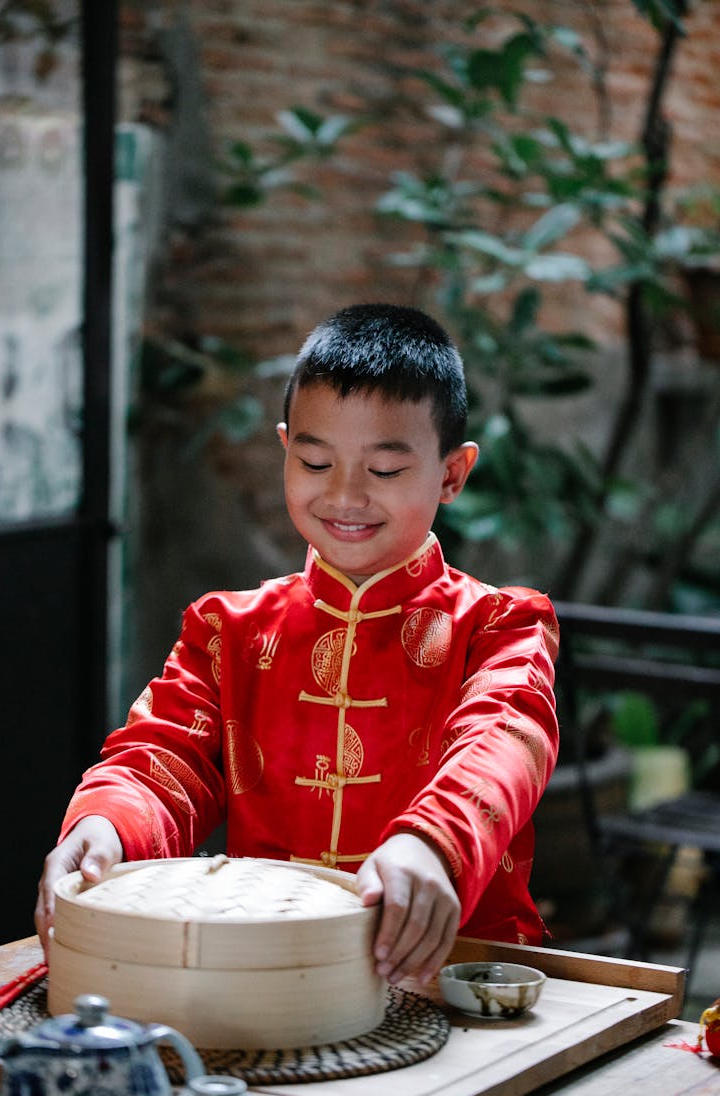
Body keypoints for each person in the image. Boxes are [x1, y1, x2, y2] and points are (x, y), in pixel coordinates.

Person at [36, 303, 559, 987]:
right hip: (275, 973)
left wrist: (432, 844)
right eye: (315, 460)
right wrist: (105, 826)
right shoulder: (228, 630)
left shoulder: (499, 625)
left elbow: (504, 738)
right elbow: (163, 757)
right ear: (286, 449)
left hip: (454, 972)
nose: (344, 493)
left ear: (452, 474)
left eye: (386, 470)